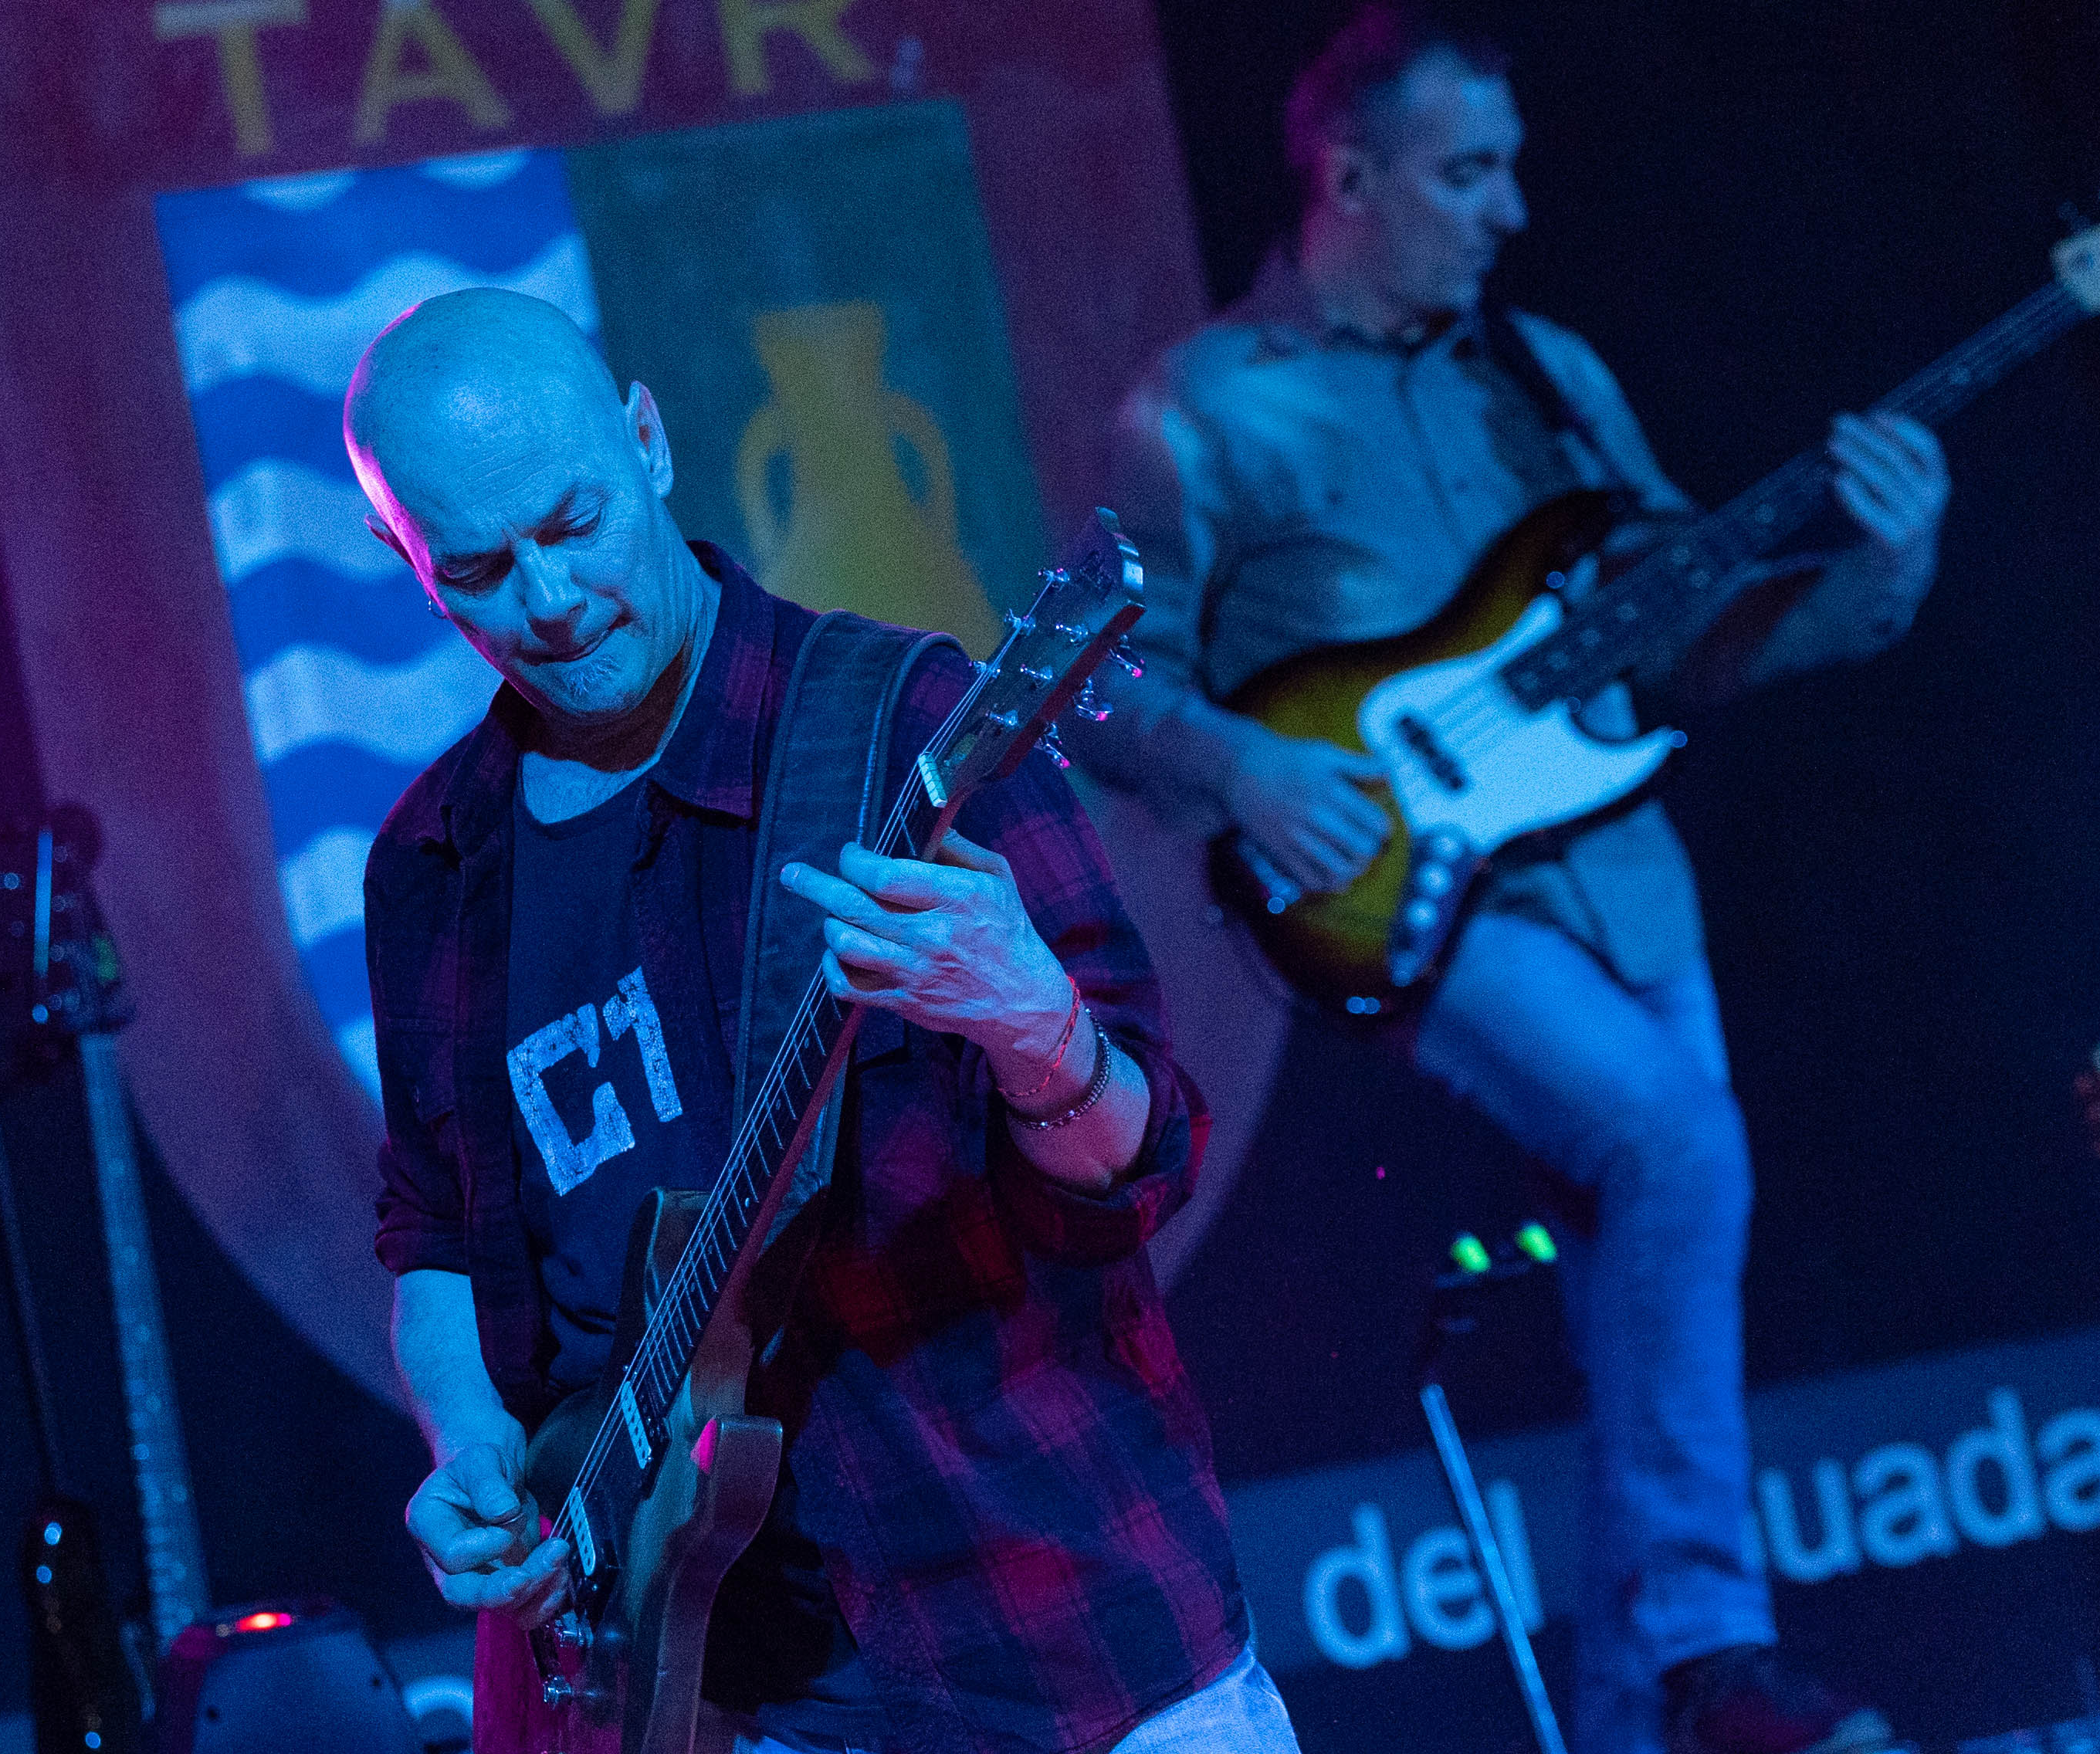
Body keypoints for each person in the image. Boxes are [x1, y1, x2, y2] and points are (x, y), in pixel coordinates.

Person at [1072, 8, 1950, 1754]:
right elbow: (1098, 676)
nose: (1510, 208)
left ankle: (1650, 1710)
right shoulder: (1207, 407)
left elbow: (1687, 629)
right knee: (1680, 1141)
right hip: (1417, 900)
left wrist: (1887, 552)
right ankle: (1711, 1647)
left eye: (1513, 168)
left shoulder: (1545, 371)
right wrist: (1244, 763)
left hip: (1628, 870)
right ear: (1351, 178)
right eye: (1471, 172)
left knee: (1658, 1212)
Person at [343, 287, 1296, 1754]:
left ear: (649, 441)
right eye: (478, 567)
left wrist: (1038, 1034)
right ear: (404, 562)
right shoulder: (430, 868)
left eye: (573, 523)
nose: (547, 598)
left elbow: (1142, 1160)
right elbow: (435, 1240)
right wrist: (470, 1451)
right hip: (725, 1697)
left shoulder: (902, 725)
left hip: (1064, 1651)